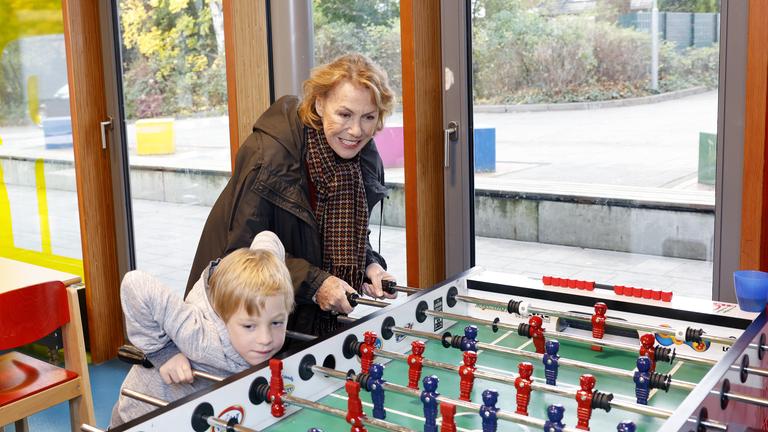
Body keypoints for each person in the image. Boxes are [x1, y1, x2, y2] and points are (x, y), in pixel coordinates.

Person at [185, 53, 397, 336]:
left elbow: (333, 233)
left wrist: (369, 265)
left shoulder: (364, 157)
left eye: (368, 117)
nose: (356, 130)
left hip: (298, 318)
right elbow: (240, 256)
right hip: (236, 320)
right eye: (344, 114)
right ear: (320, 104)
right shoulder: (268, 156)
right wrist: (315, 283)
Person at [110, 231, 294, 426]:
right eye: (249, 326)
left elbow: (269, 238)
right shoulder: (200, 336)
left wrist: (267, 265)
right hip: (140, 417)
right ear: (224, 318)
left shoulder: (272, 291)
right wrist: (164, 353)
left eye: (276, 322)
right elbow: (135, 284)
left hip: (194, 416)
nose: (265, 339)